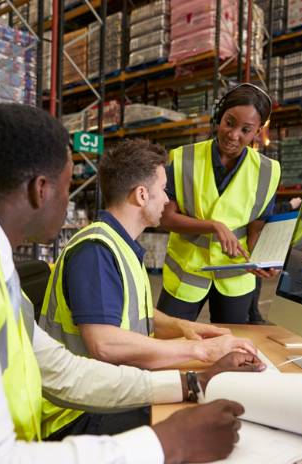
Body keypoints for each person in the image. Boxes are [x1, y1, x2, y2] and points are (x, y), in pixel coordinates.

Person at [0, 104, 265, 464]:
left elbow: (63, 371)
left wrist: (191, 382)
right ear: (41, 190)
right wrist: (167, 443)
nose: (71, 203)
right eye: (69, 187)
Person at [40, 138, 256, 439]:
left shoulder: (119, 244)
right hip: (78, 413)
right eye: (163, 189)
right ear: (142, 195)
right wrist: (201, 351)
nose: (167, 199)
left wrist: (183, 327)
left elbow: (133, 312)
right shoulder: (95, 251)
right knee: (213, 418)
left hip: (110, 393)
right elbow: (105, 343)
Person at [158, 83, 281, 324]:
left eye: (246, 130)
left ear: (257, 132)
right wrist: (213, 226)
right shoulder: (182, 158)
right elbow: (166, 218)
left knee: (231, 348)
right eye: (230, 122)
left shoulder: (268, 171)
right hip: (187, 272)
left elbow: (256, 227)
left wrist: (262, 259)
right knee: (167, 339)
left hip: (235, 276)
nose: (234, 135)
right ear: (219, 117)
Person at [248, 196, 302, 324]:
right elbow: (264, 211)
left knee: (255, 279)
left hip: (253, 243)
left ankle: (254, 315)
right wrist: (288, 205)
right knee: (253, 279)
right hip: (249, 245)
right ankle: (253, 316)